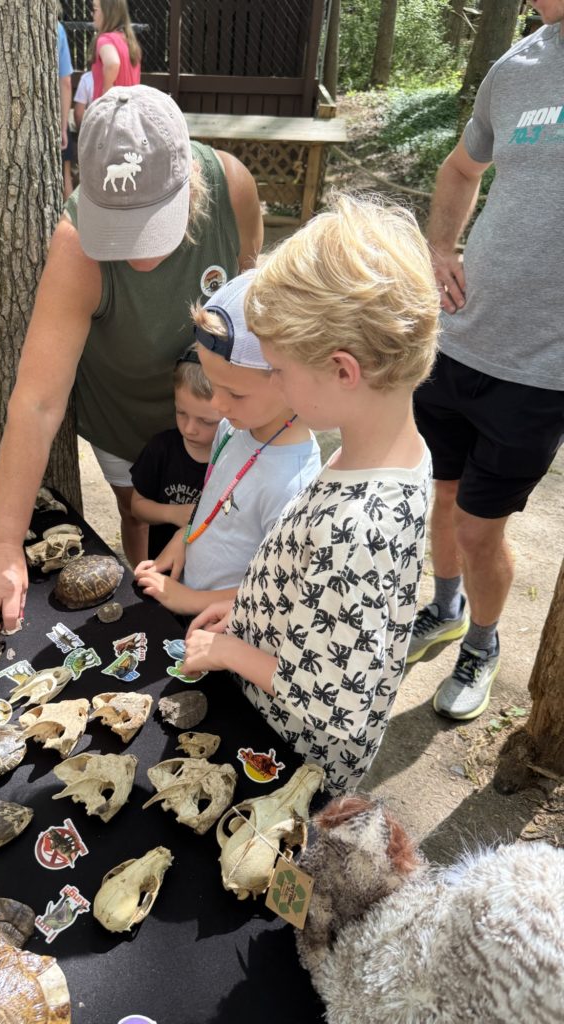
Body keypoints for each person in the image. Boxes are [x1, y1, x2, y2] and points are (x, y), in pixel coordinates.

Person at [0, 85, 262, 632]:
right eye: (118, 228)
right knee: (141, 510)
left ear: (188, 184)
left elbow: (250, 304)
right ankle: (153, 600)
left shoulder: (233, 188)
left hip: (217, 408)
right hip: (123, 412)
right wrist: (4, 542)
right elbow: (36, 401)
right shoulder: (75, 245)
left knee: (227, 517)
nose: (137, 253)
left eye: (150, 225)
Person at [182, 195, 440, 796]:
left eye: (279, 370)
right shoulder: (392, 447)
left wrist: (231, 652)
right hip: (273, 662)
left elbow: (336, 703)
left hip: (291, 751)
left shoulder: (357, 528)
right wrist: (251, 610)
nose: (275, 382)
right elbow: (321, 597)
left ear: (343, 370)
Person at [407, 3, 564, 721]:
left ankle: (484, 642)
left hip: (540, 370)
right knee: (439, 498)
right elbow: (461, 167)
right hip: (458, 341)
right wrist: (440, 247)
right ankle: (443, 610)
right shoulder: (516, 68)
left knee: (478, 526)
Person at [134, 270, 320, 616]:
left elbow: (280, 591)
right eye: (213, 383)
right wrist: (185, 537)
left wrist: (192, 601)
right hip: (188, 585)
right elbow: (215, 499)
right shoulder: (234, 426)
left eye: (234, 392)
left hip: (225, 623)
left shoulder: (294, 485)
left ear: (292, 380)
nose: (218, 406)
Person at [130, 347, 222, 563]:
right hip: (162, 565)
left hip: (210, 574)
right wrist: (174, 514)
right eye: (181, 413)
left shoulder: (235, 459)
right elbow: (137, 506)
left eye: (206, 421)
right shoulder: (161, 449)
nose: (189, 428)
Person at [90, 0, 141, 99]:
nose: (92, 13)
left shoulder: (105, 40)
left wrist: (106, 93)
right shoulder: (129, 42)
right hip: (131, 108)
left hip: (111, 111)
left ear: (107, 13)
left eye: (95, 9)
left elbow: (112, 63)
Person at [57, 4, 74, 200]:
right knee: (65, 176)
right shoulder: (57, 29)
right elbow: (65, 82)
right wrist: (63, 127)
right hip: (53, 116)